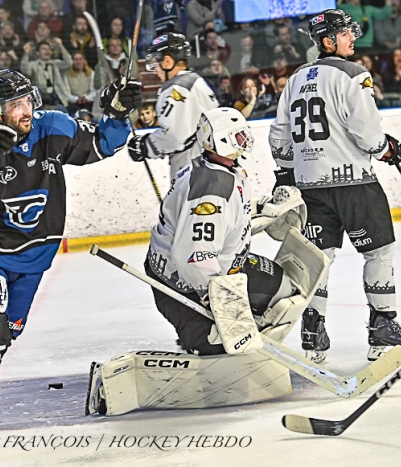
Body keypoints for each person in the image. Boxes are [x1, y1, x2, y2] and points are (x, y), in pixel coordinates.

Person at [0, 69, 141, 458]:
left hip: (33, 255)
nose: (25, 110)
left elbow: (104, 143)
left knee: (0, 338)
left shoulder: (52, 127)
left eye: (27, 101)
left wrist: (118, 114)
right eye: (15, 104)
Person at [86, 107, 312, 417]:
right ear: (219, 141)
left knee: (286, 290)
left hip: (218, 271)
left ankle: (245, 342)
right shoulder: (211, 192)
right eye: (238, 137)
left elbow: (224, 230)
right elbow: (194, 257)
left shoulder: (219, 169)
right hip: (182, 289)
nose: (245, 142)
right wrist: (222, 306)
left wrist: (264, 213)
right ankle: (210, 345)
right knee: (218, 346)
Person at [268, 8, 401, 363]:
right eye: (346, 33)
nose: (353, 38)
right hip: (353, 182)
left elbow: (279, 136)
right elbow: (367, 133)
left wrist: (286, 172)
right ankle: (383, 327)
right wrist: (386, 149)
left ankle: (313, 331)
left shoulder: (294, 79)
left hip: (310, 186)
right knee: (379, 252)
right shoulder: (353, 74)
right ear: (328, 41)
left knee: (320, 258)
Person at [128, 33, 219, 183]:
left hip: (195, 172)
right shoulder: (195, 81)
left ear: (168, 61)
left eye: (156, 63)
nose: (154, 70)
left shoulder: (177, 87)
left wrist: (145, 146)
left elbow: (175, 136)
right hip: (209, 167)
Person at [20, 39, 72, 111]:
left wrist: (61, 46)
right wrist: (26, 53)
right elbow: (25, 70)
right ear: (38, 53)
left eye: (49, 49)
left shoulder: (56, 63)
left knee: (63, 111)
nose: (47, 51)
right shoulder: (33, 65)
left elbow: (69, 63)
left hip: (56, 98)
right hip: (41, 99)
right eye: (44, 49)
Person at [64, 51, 97, 115]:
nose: (78, 62)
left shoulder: (92, 73)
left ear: (84, 61)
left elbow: (94, 91)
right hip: (73, 103)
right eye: (76, 60)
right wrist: (76, 99)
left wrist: (86, 98)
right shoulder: (67, 75)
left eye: (80, 59)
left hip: (88, 102)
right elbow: (66, 93)